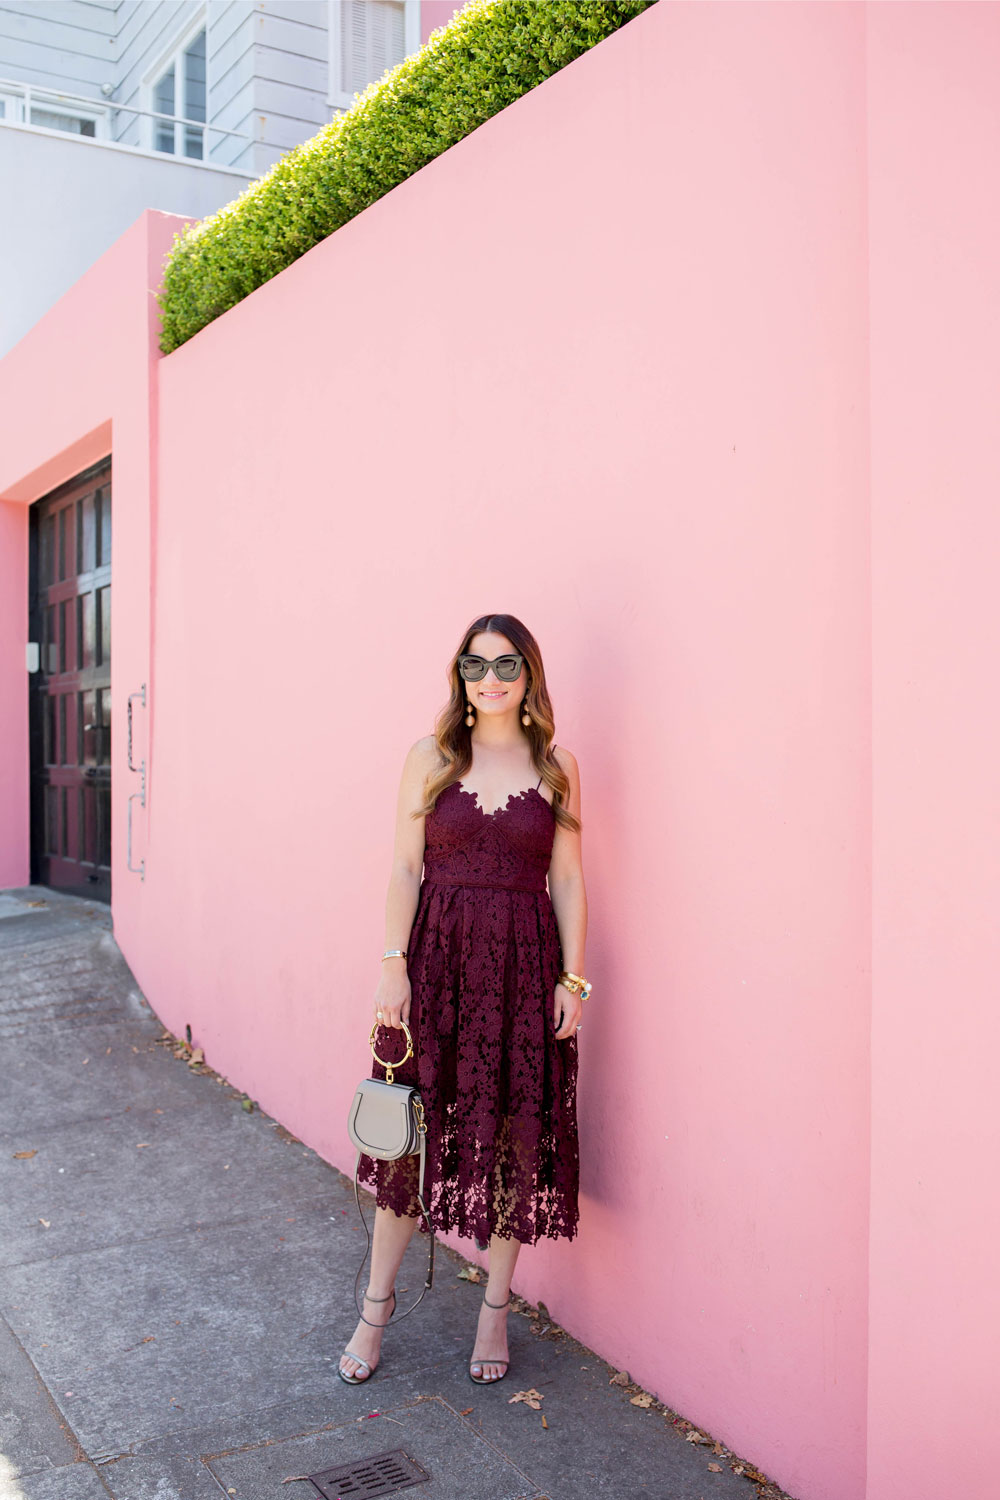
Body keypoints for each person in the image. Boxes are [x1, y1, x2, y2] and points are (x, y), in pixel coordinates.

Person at [339, 612, 589, 1386]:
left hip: (522, 969)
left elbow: (571, 879)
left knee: (512, 1142)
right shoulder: (431, 756)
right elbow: (405, 868)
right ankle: (373, 1312)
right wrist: (393, 966)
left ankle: (494, 1314)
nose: (491, 679)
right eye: (475, 666)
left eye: (506, 665)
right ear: (459, 677)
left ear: (530, 674)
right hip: (436, 963)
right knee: (409, 1146)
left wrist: (573, 979)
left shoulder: (557, 766)